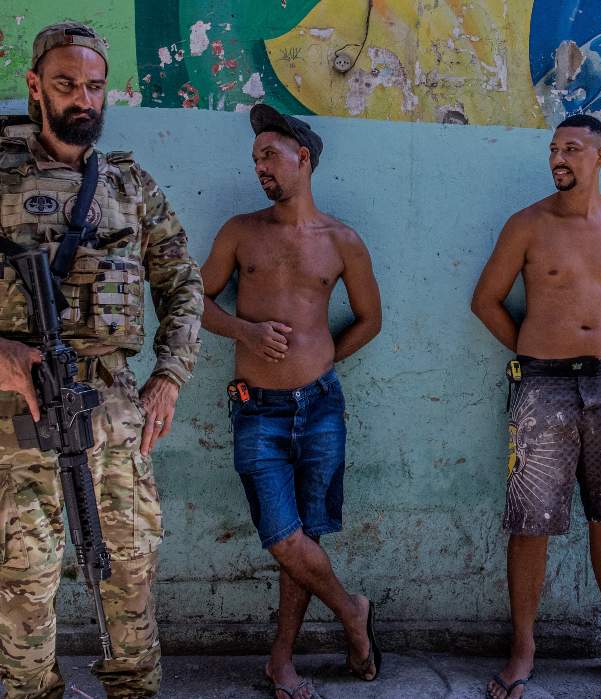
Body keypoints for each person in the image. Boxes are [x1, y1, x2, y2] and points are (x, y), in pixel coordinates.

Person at [0, 21, 204, 698]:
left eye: (94, 85)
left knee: (127, 575)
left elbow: (183, 283)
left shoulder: (132, 185)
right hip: (19, 414)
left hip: (117, 417)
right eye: (66, 84)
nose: (82, 98)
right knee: (27, 586)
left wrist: (169, 375)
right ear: (36, 86)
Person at [470, 113, 601, 698]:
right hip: (541, 385)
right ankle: (524, 646)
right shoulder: (526, 224)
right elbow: (487, 301)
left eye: (571, 148)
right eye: (554, 149)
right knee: (530, 523)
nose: (559, 157)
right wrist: (536, 351)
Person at [198, 104, 384, 699]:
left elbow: (369, 320)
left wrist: (323, 359)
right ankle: (353, 612)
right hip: (257, 408)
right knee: (284, 537)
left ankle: (282, 662)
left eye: (269, 157)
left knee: (306, 542)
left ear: (303, 159)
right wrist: (244, 333)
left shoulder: (343, 241)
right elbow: (193, 302)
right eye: (255, 160)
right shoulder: (239, 232)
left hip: (321, 407)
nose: (260, 169)